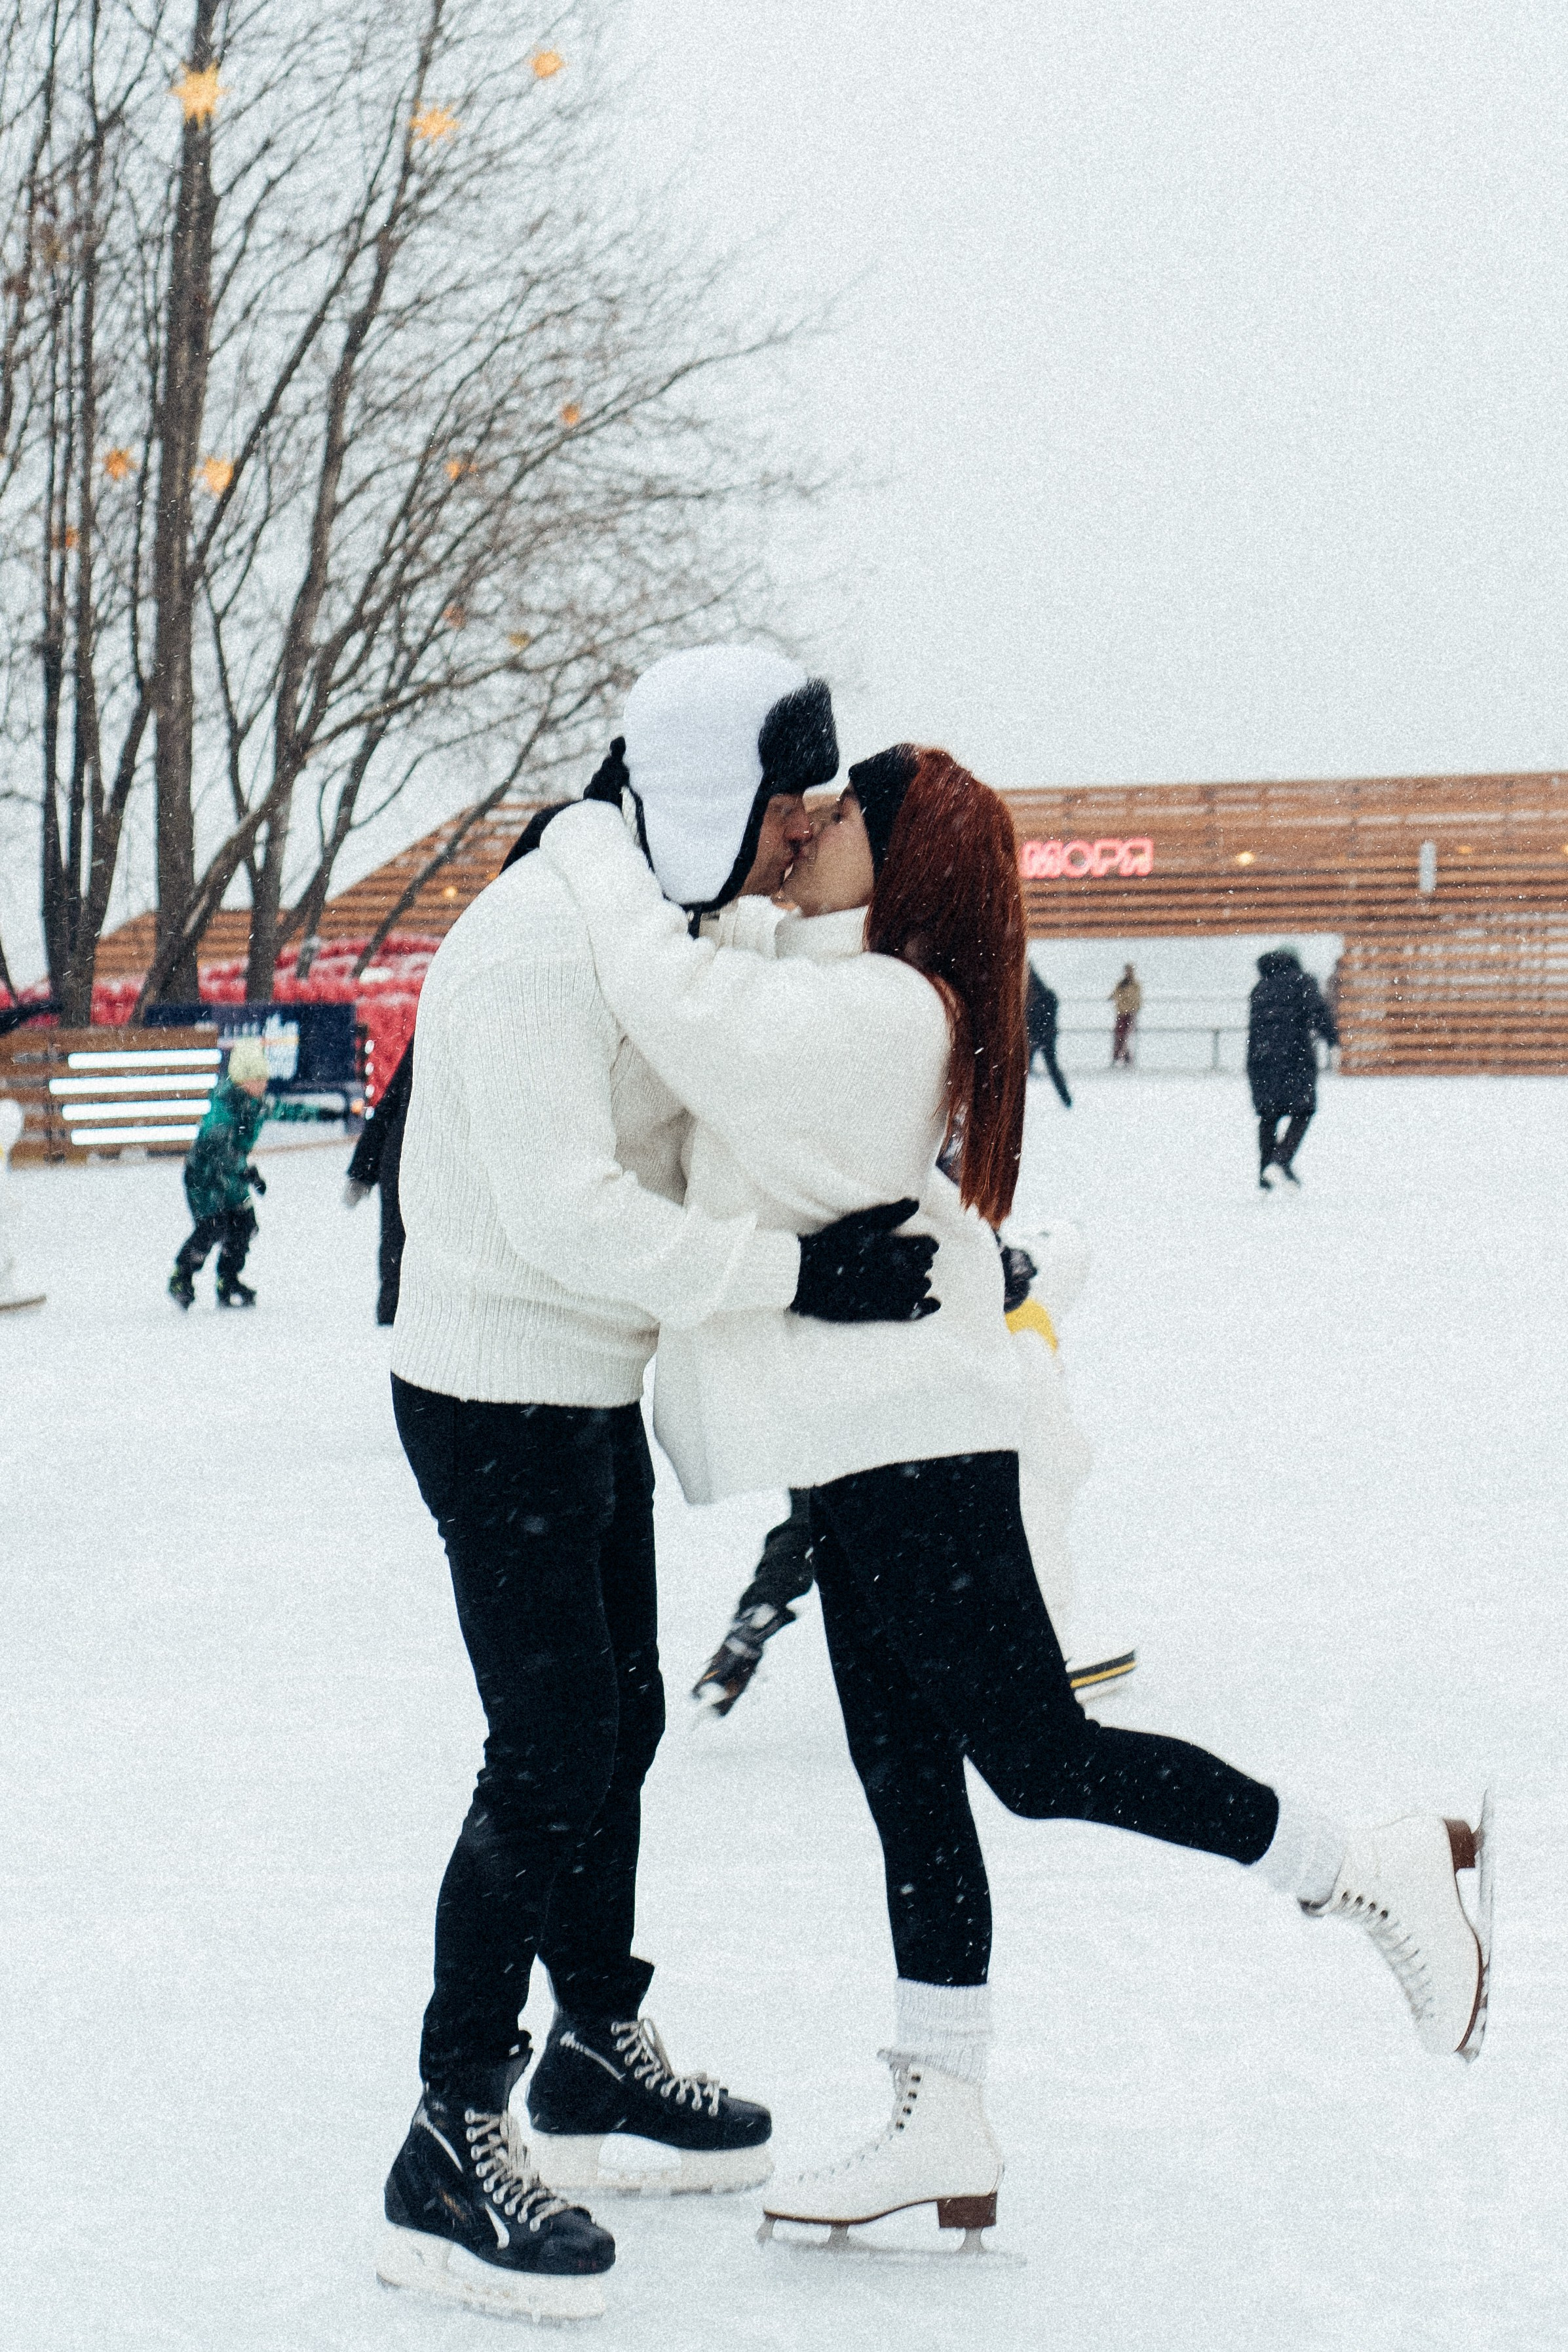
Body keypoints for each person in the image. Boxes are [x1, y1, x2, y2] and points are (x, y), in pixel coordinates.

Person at [536, 747, 1490, 2248]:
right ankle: (942, 2107)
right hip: (853, 1443)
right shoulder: (842, 975)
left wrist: (592, 841)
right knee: (906, 1783)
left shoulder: (886, 1008)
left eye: (840, 814)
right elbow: (727, 975)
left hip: (915, 1432)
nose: (807, 825)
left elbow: (683, 1009)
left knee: (1036, 1754)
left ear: (903, 860)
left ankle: (1359, 1867)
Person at [377, 646, 942, 2323]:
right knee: (549, 1749)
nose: (795, 844)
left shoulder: (657, 907)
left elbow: (755, 987)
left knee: (612, 1719)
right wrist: (790, 1273)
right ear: (704, 800)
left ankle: (592, 2049)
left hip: (577, 1383)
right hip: (490, 1389)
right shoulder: (540, 948)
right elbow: (564, 1217)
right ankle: (449, 2122)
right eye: (788, 813)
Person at [168, 1038, 276, 1308]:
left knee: (244, 1224)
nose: (264, 1083)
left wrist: (330, 1113)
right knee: (212, 1226)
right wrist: (248, 1173)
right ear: (243, 1080)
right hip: (203, 1177)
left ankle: (227, 1280)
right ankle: (181, 1277)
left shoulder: (257, 1104)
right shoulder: (224, 1109)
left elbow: (287, 1109)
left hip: (232, 1175)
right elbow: (221, 1152)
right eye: (258, 1078)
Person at [1248, 947, 1339, 1189]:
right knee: (1303, 1110)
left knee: (1269, 1116)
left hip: (1260, 1060)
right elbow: (1318, 1011)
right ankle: (1280, 1161)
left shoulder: (1260, 988)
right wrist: (1332, 1038)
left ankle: (1267, 1174)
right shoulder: (1301, 981)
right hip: (1293, 1057)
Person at [344, 1037, 413, 1324]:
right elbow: (392, 1103)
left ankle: (394, 1311)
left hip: (404, 1159)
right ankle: (394, 1312)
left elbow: (389, 1103)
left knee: (399, 1242)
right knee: (400, 1242)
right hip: (406, 1160)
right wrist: (362, 1170)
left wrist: (362, 1170)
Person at [1024, 965, 1072, 1104]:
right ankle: (1066, 1099)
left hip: (1038, 1037)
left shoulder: (1040, 1000)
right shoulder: (1047, 998)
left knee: (1025, 1068)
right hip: (1043, 1037)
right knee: (1051, 1067)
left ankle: (1066, 1099)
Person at [1109, 962, 1141, 1065]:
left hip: (1130, 1013)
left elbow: (1137, 999)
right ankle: (1119, 1055)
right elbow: (1115, 994)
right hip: (1121, 1012)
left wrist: (1135, 1009)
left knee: (1125, 1035)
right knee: (1119, 1034)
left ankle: (1125, 1056)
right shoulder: (1121, 984)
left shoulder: (1135, 985)